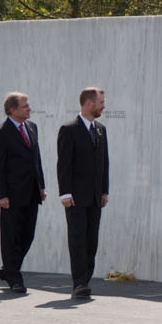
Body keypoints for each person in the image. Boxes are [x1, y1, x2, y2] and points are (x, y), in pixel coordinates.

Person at [55, 85, 111, 300]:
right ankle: (79, 283)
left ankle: (85, 280)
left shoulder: (101, 129)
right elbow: (64, 165)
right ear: (89, 103)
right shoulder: (69, 129)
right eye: (101, 103)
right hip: (76, 197)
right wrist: (65, 193)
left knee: (91, 241)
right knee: (78, 240)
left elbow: (105, 163)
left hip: (96, 197)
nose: (103, 107)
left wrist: (104, 190)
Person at [0, 91, 45, 294]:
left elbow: (36, 159)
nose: (29, 108)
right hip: (11, 195)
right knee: (11, 235)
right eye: (25, 106)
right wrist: (1, 195)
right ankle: (14, 276)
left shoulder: (32, 127)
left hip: (31, 192)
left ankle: (8, 269)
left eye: (28, 105)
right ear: (12, 110)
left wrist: (41, 186)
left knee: (27, 235)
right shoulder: (0, 133)